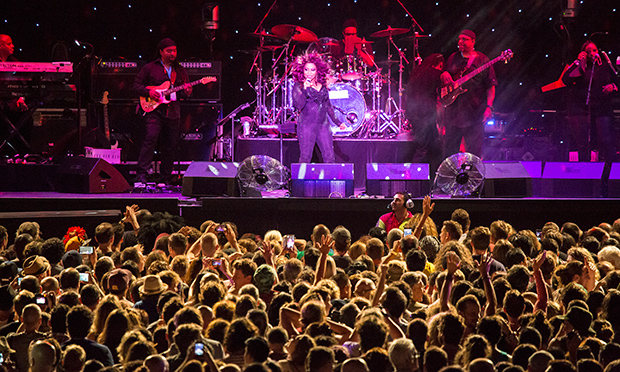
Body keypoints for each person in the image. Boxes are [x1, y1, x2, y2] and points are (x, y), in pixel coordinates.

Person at [133, 38, 191, 184]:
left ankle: (165, 177)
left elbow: (182, 94)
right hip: (154, 111)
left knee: (170, 145)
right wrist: (149, 92)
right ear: (161, 52)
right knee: (150, 139)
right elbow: (136, 85)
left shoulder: (180, 70)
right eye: (169, 51)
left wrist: (187, 91)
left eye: (175, 50)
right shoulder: (150, 67)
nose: (173, 53)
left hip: (173, 112)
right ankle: (141, 175)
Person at [440, 29, 496, 158]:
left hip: (474, 114)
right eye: (459, 39)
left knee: (474, 154)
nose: (460, 42)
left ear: (473, 41)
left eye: (464, 39)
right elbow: (444, 79)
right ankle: (450, 177)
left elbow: (490, 87)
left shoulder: (482, 59)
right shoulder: (453, 58)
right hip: (453, 114)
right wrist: (444, 73)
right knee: (449, 153)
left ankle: (473, 177)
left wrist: (489, 107)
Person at [561, 40, 618, 162]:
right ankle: (584, 173)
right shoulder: (581, 66)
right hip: (582, 107)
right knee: (583, 142)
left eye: (594, 50)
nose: (592, 53)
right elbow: (566, 79)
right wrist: (579, 63)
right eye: (588, 51)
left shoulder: (605, 65)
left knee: (605, 140)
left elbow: (617, 80)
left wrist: (612, 86)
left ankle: (608, 172)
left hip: (602, 107)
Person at [291, 53, 343, 163]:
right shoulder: (298, 85)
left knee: (329, 157)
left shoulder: (322, 86)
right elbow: (298, 106)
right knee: (305, 157)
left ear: (317, 71)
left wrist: (338, 122)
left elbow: (328, 106)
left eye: (312, 70)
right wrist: (305, 90)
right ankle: (301, 180)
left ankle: (330, 179)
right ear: (302, 70)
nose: (309, 73)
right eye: (306, 69)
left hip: (323, 125)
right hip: (306, 125)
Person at [407, 53, 445, 175]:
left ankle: (433, 177)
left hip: (414, 112)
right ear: (439, 64)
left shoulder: (417, 73)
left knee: (434, 145)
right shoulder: (435, 73)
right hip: (426, 113)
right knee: (423, 148)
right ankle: (413, 178)